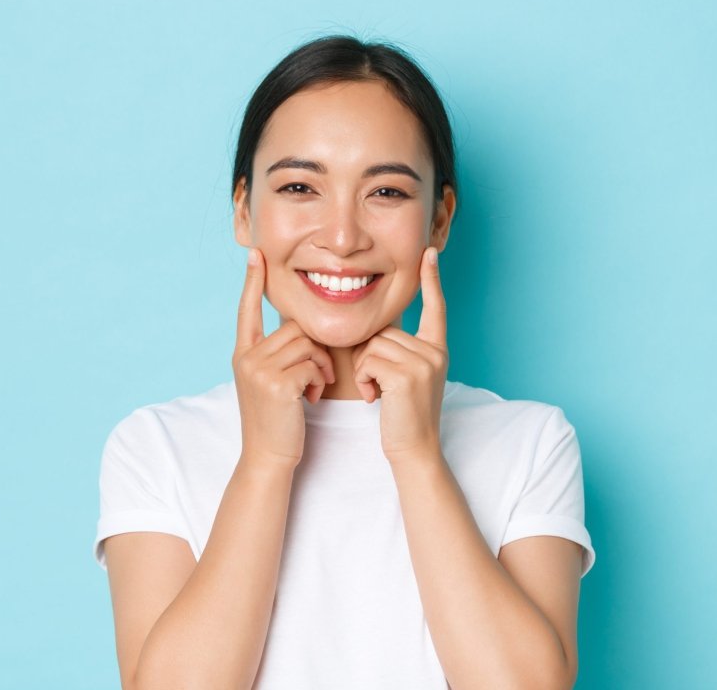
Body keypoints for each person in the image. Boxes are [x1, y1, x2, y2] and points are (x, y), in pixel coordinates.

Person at [93, 34, 596, 690]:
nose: (341, 236)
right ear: (244, 209)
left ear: (439, 220)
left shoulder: (531, 442)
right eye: (301, 186)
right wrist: (265, 462)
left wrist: (417, 455)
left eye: (385, 193)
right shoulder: (155, 445)